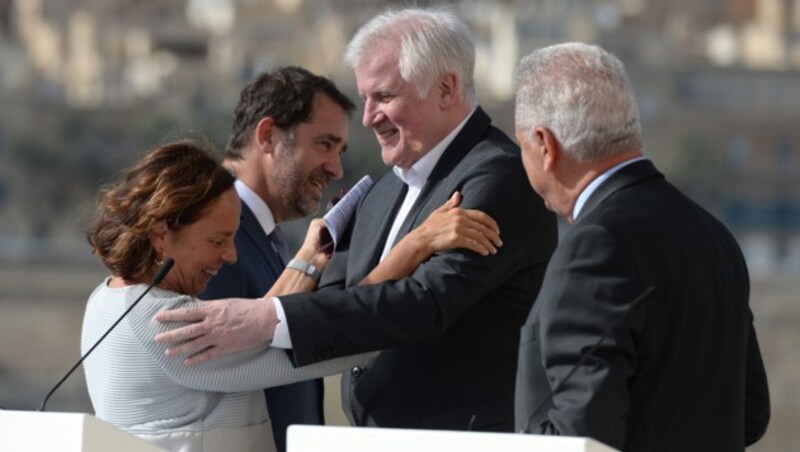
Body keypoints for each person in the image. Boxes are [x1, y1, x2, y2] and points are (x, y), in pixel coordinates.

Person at [155, 7, 558, 432]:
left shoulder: (498, 176)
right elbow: (336, 300)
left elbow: (424, 304)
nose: (368, 118)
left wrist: (262, 319)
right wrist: (410, 246)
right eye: (366, 99)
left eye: (383, 97)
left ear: (445, 88)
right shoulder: (380, 193)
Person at [82, 141, 503, 451]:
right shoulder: (166, 327)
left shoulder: (108, 301)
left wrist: (308, 261)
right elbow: (322, 343)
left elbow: (257, 323)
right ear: (161, 235)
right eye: (217, 240)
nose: (230, 257)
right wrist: (414, 246)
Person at [512, 42, 770, 451]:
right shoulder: (712, 234)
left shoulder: (592, 248)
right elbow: (750, 413)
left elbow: (581, 437)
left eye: (521, 148)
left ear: (545, 145)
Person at [200, 66, 354, 452]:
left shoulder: (270, 237)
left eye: (340, 151)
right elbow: (222, 364)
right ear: (268, 136)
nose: (336, 169)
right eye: (324, 144)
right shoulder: (207, 228)